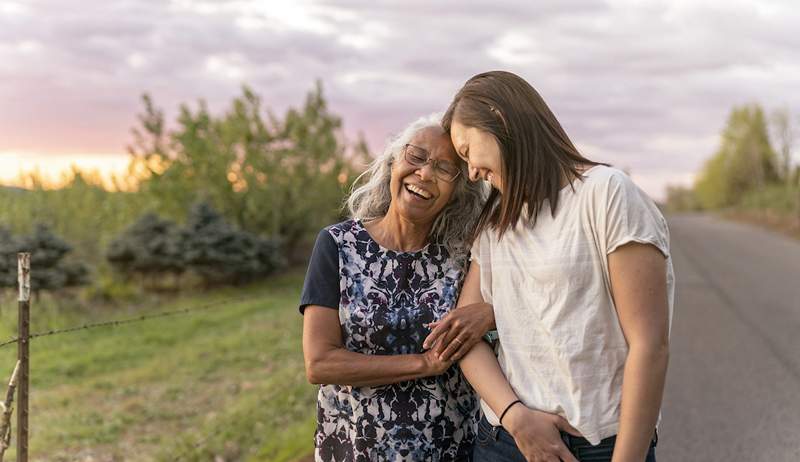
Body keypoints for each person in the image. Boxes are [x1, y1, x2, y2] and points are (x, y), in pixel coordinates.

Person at [425, 71, 674, 462]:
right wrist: (515, 417)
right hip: (506, 442)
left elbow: (650, 345)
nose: (471, 171)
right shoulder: (495, 225)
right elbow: (463, 337)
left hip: (600, 446)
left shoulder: (606, 194)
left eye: (467, 150)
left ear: (500, 119)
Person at [300, 114, 490, 461]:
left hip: (450, 448)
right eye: (416, 156)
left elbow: (513, 309)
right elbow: (320, 363)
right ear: (393, 162)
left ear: (458, 191)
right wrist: (423, 363)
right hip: (356, 448)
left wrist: (490, 313)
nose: (425, 173)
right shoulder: (337, 245)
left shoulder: (467, 255)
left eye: (445, 169)